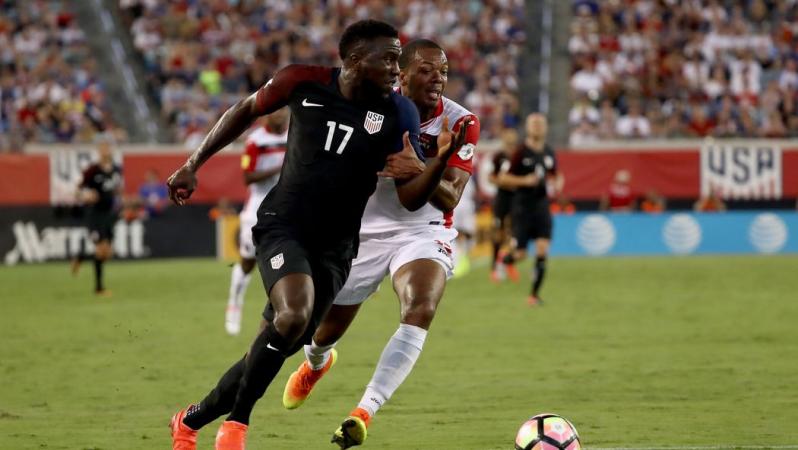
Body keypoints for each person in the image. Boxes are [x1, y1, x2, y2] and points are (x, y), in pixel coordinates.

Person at [166, 21, 470, 450]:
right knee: (291, 318)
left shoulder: (397, 114)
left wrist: (435, 163)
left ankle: (190, 419)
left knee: (279, 344)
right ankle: (236, 427)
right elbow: (244, 111)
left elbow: (409, 197)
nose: (394, 67)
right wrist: (193, 164)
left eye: (398, 58)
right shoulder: (301, 81)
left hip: (340, 246)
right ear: (353, 60)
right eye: (387, 58)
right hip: (284, 225)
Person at [279, 39, 479, 449]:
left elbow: (452, 196)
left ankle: (363, 411)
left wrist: (424, 165)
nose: (438, 78)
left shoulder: (460, 122)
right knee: (323, 333)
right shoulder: (370, 110)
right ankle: (315, 364)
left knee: (420, 306)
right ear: (401, 75)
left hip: (424, 231)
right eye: (426, 69)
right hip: (362, 230)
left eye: (443, 70)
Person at [225, 107, 289, 336]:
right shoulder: (255, 141)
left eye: (284, 112)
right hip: (258, 207)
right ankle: (235, 303)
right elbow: (247, 177)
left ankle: (283, 312)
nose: (281, 116)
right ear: (268, 114)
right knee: (248, 261)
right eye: (277, 112)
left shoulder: (295, 135)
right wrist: (278, 169)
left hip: (287, 206)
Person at [495, 113, 563, 306]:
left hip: (542, 206)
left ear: (546, 128)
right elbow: (504, 178)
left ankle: (534, 295)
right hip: (522, 207)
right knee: (521, 254)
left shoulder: (549, 152)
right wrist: (524, 181)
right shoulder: (520, 152)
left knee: (542, 249)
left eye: (540, 124)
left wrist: (558, 182)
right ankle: (504, 259)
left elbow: (556, 174)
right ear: (527, 128)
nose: (537, 127)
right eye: (533, 124)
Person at [70, 141, 122, 296]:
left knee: (107, 253)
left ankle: (80, 257)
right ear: (99, 152)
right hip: (95, 214)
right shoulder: (93, 170)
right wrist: (86, 195)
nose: (106, 151)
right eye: (103, 148)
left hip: (109, 215)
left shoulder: (115, 170)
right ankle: (99, 289)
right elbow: (77, 191)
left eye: (108, 148)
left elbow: (116, 190)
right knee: (101, 250)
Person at [488, 127, 519, 281]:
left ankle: (508, 263)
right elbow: (491, 177)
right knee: (498, 233)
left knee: (514, 233)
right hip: (502, 198)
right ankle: (494, 266)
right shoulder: (499, 157)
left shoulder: (520, 156)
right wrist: (503, 182)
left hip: (517, 199)